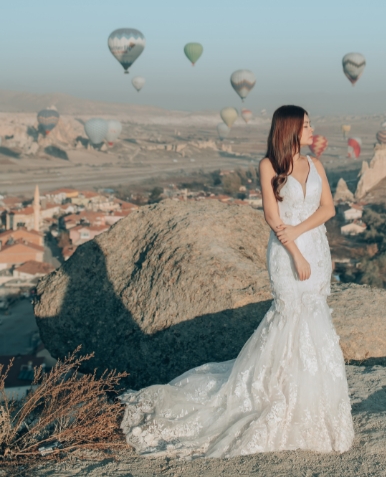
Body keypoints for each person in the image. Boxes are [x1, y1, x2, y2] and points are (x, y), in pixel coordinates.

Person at [120, 105, 354, 458]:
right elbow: (272, 219)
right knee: (290, 317)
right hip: (287, 254)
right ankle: (278, 396)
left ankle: (315, 403)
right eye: (305, 125)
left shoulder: (316, 165)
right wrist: (297, 252)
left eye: (310, 124)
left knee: (316, 317)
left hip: (316, 249)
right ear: (288, 129)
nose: (311, 130)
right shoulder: (269, 167)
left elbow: (328, 209)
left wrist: (307, 239)